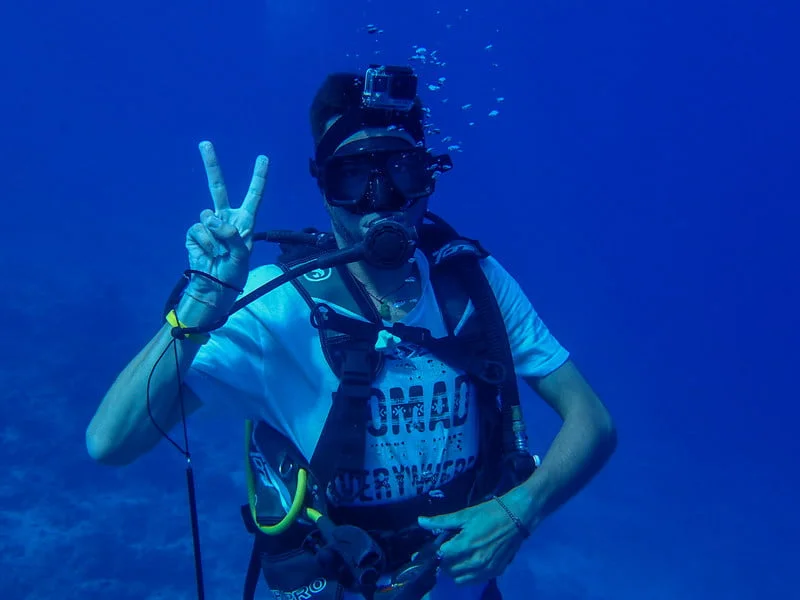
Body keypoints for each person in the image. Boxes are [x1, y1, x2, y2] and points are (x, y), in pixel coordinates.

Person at [86, 66, 617, 600]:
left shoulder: (473, 284)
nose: (380, 198)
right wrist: (200, 304)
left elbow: (592, 420)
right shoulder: (276, 303)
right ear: (323, 188)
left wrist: (520, 509)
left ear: (428, 178)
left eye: (402, 172)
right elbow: (111, 442)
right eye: (351, 178)